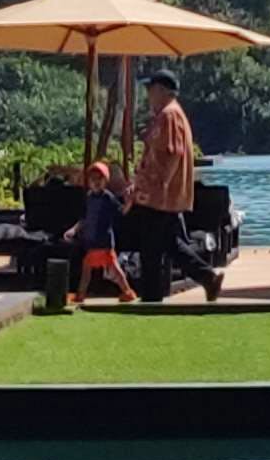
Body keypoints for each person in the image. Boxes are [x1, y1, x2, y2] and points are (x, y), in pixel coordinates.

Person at [127, 91, 199, 295]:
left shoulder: (170, 115)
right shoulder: (167, 115)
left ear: (162, 90)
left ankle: (152, 293)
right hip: (159, 195)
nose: (149, 96)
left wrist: (161, 182)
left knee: (155, 245)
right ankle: (207, 277)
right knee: (167, 243)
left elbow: (173, 152)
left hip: (160, 196)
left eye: (151, 91)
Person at [67, 156, 133, 308]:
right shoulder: (89, 198)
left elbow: (121, 212)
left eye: (100, 178)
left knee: (109, 269)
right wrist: (74, 229)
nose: (96, 182)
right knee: (97, 268)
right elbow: (84, 218)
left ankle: (82, 295)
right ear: (89, 182)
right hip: (91, 241)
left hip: (103, 241)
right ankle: (126, 291)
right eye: (93, 179)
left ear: (105, 181)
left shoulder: (108, 198)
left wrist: (129, 202)